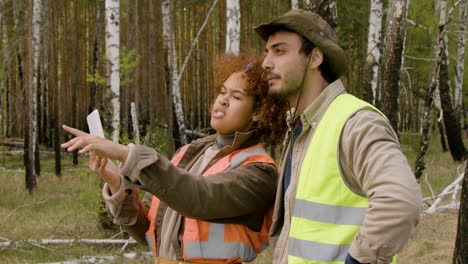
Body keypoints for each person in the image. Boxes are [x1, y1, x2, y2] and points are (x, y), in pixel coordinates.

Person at [61, 54, 288, 264]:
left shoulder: (259, 170)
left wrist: (126, 154)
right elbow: (148, 230)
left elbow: (198, 196)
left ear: (259, 112)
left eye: (236, 96)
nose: (223, 101)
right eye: (222, 91)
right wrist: (116, 183)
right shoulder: (188, 153)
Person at [253, 9, 423, 264]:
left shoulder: (356, 122)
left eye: (279, 51)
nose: (266, 62)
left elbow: (400, 201)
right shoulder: (301, 129)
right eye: (267, 52)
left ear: (314, 58)